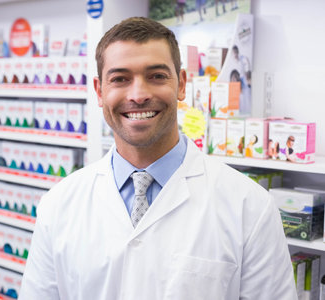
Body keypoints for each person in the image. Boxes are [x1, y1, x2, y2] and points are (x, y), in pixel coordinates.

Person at [19, 17, 296, 299]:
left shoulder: (249, 207)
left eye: (157, 76)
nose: (139, 95)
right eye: (120, 79)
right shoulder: (58, 205)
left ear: (182, 84)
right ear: (99, 91)